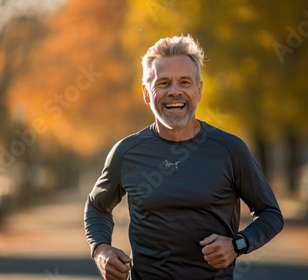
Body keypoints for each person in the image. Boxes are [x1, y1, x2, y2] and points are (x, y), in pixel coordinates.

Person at [84, 34, 284, 280]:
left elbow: (271, 214)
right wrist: (101, 250)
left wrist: (237, 245)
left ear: (198, 90)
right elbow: (97, 206)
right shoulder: (126, 152)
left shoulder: (230, 150)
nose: (174, 92)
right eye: (163, 83)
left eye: (185, 82)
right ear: (147, 93)